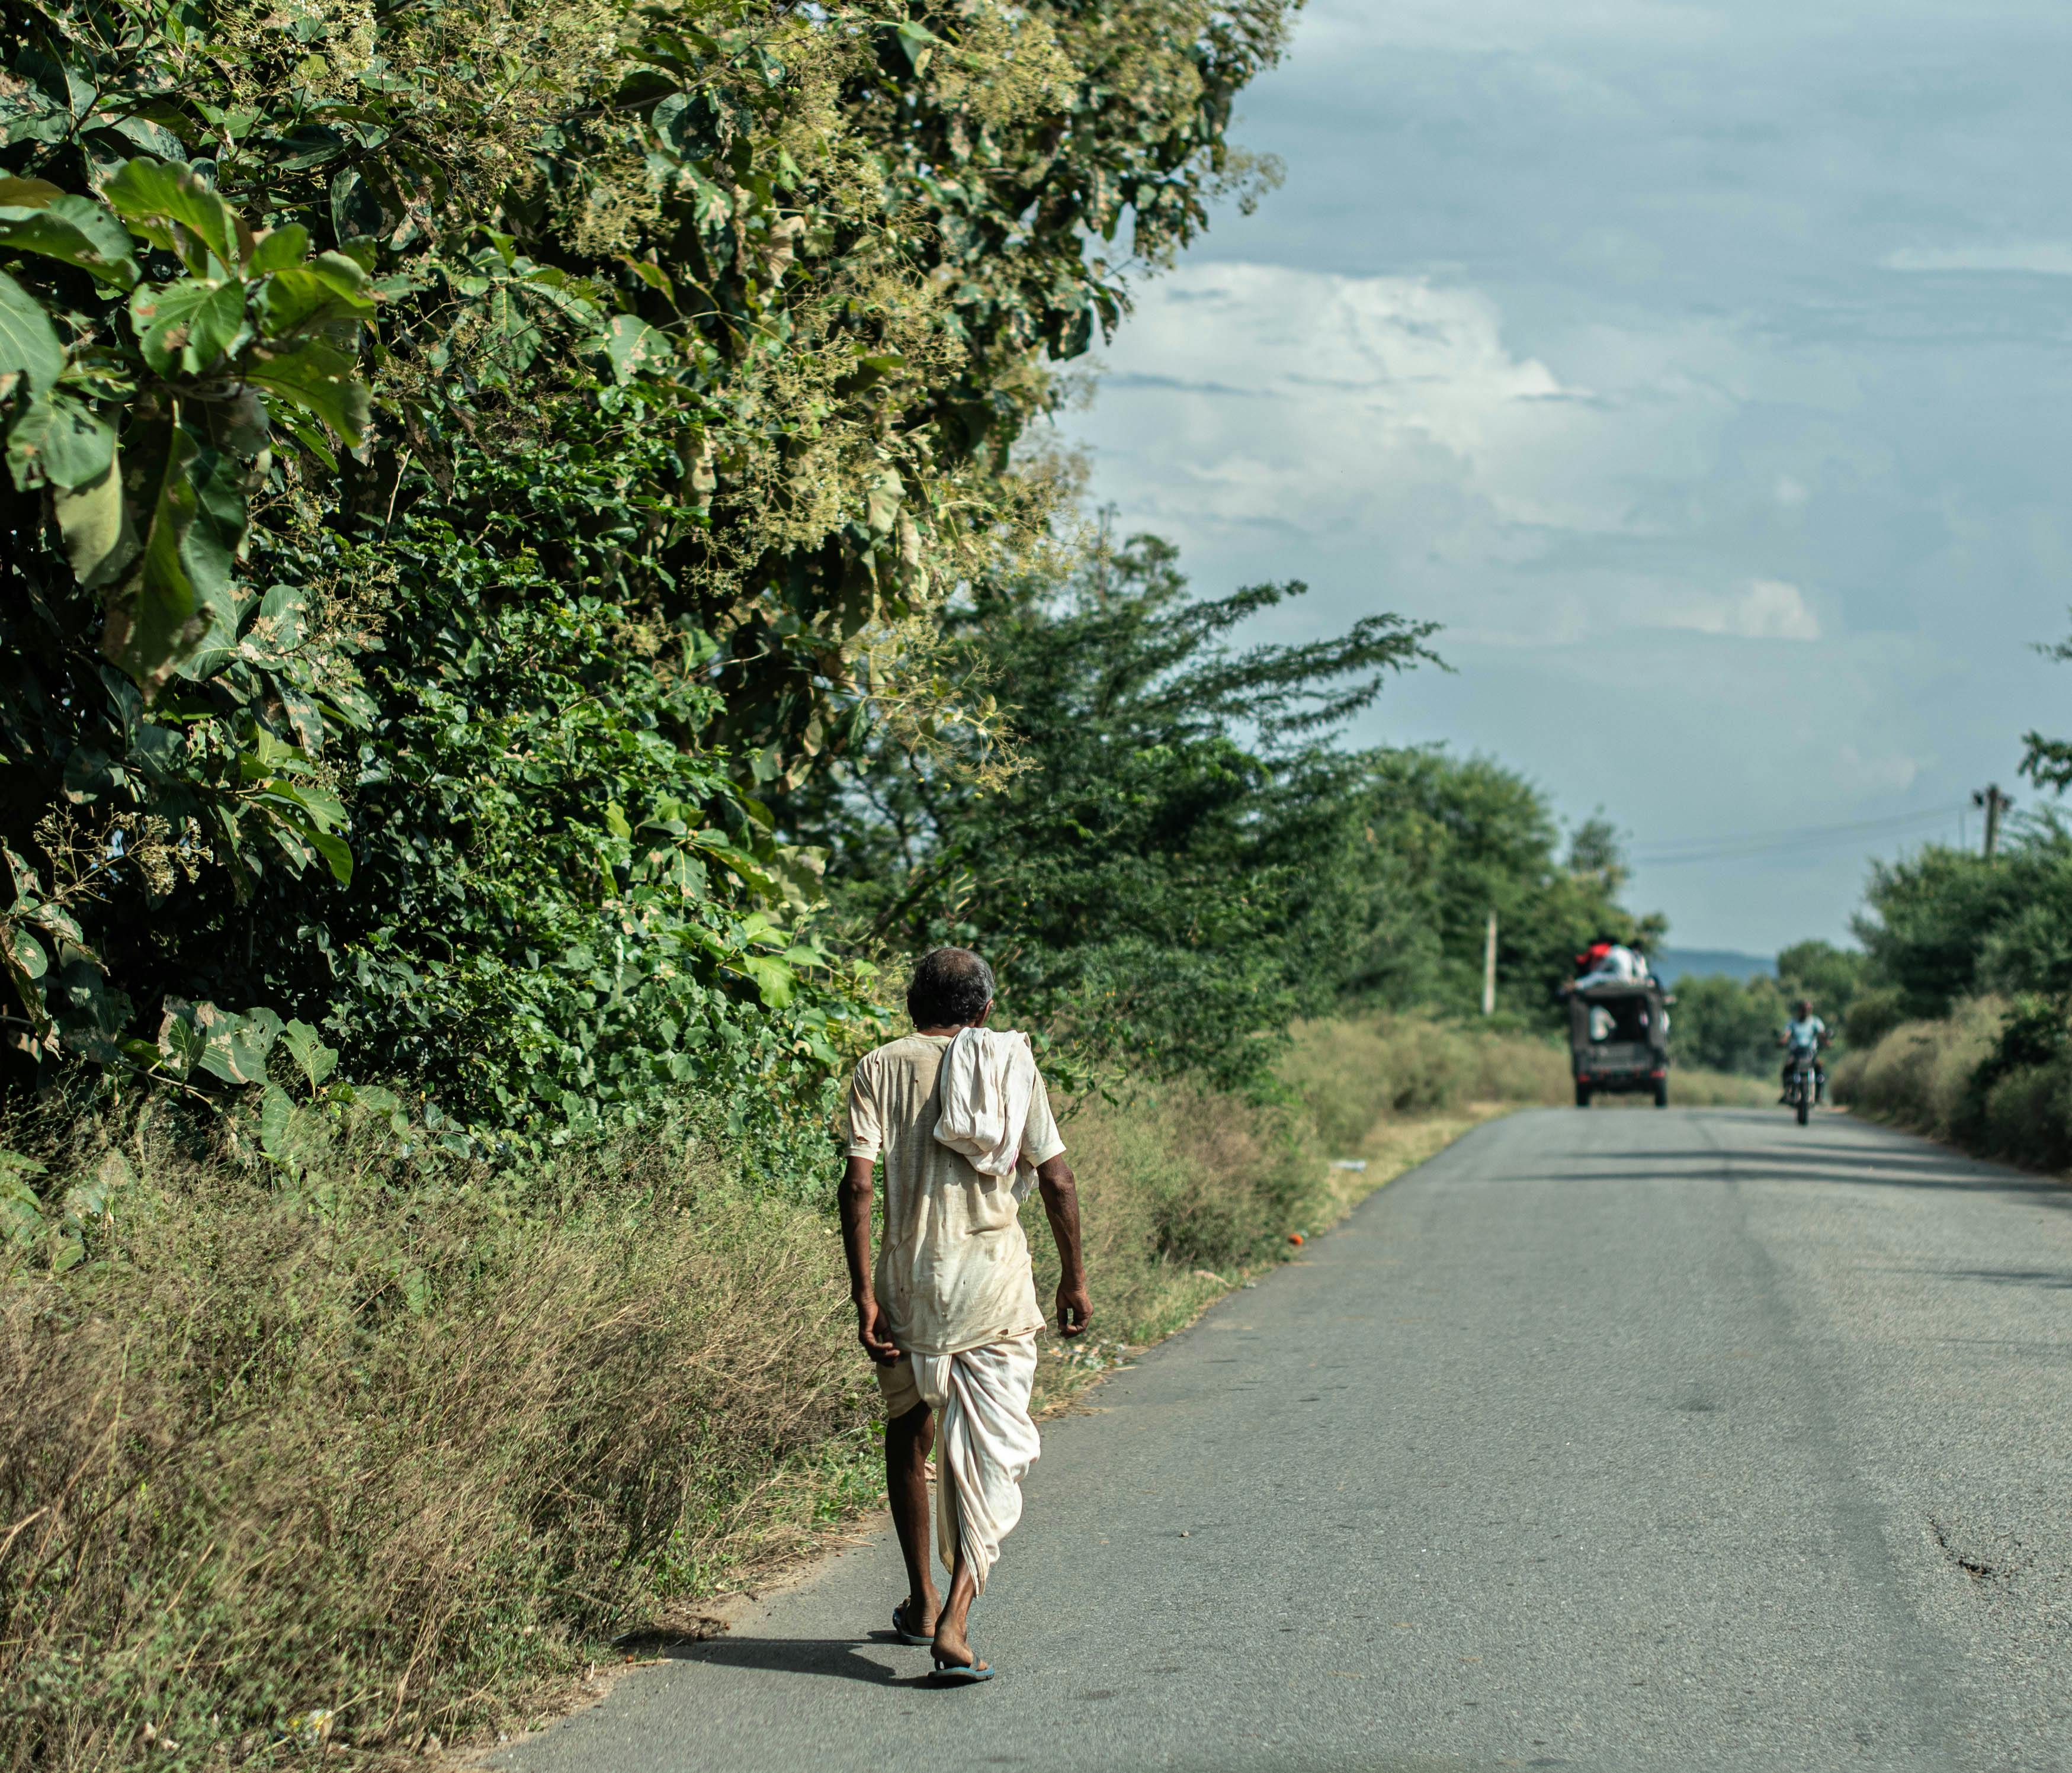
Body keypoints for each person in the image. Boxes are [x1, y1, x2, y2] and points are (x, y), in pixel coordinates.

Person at [837, 947, 1092, 1682]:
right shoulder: (1010, 1063)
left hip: (908, 1283)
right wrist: (1073, 1278)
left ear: (914, 1008)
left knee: (908, 1431)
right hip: (993, 1286)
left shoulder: (879, 1067)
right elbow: (1058, 1180)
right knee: (989, 1456)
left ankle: (919, 1600)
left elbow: (858, 1187)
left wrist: (864, 1294)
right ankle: (954, 1619)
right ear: (985, 1011)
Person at [1779, 997, 1828, 1102]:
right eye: (1804, 1009)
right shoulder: (1793, 1023)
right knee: (1787, 1068)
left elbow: (1821, 1033)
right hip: (1796, 1053)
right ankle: (1787, 1092)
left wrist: (1826, 1040)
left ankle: (1819, 1095)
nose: (1806, 1012)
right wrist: (1782, 1041)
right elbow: (1786, 1035)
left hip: (1811, 1053)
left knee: (1820, 1068)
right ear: (1799, 1010)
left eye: (1808, 1009)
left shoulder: (1815, 1022)